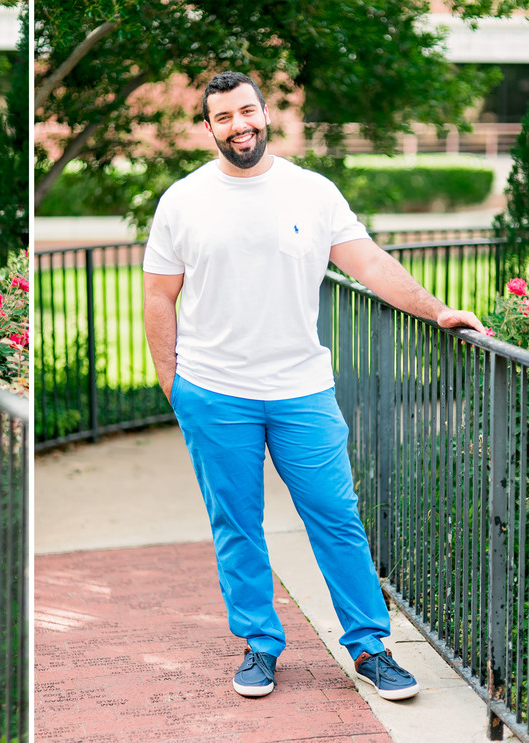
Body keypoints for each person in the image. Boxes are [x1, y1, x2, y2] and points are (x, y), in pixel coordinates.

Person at [142, 71, 486, 700]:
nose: (239, 125)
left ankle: (369, 647)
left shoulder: (311, 191)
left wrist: (437, 310)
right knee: (237, 524)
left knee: (335, 515)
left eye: (248, 111)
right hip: (215, 393)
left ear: (264, 113)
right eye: (224, 117)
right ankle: (260, 646)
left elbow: (371, 262)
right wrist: (175, 386)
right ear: (210, 126)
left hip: (302, 390)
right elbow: (159, 296)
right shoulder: (183, 200)